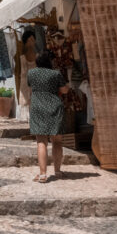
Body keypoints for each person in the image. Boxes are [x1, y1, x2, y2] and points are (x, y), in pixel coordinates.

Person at [27, 50, 71, 183]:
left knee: (41, 141)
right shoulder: (56, 74)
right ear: (49, 61)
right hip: (54, 107)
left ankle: (42, 174)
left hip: (37, 107)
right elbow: (64, 90)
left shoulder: (31, 73)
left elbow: (30, 87)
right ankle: (57, 171)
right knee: (57, 141)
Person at [15, 29, 38, 122]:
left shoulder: (38, 56)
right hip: (25, 86)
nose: (32, 42)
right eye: (30, 40)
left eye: (33, 40)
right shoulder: (21, 57)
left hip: (35, 84)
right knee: (26, 106)